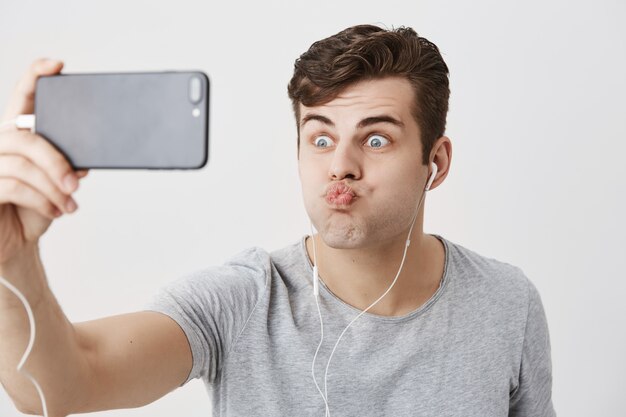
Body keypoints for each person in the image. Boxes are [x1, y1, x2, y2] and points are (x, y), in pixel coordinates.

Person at [0, 24, 555, 416]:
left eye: (377, 138)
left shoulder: (507, 301)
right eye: (320, 137)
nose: (340, 165)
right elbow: (57, 387)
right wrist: (13, 258)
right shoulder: (241, 301)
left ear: (435, 162)